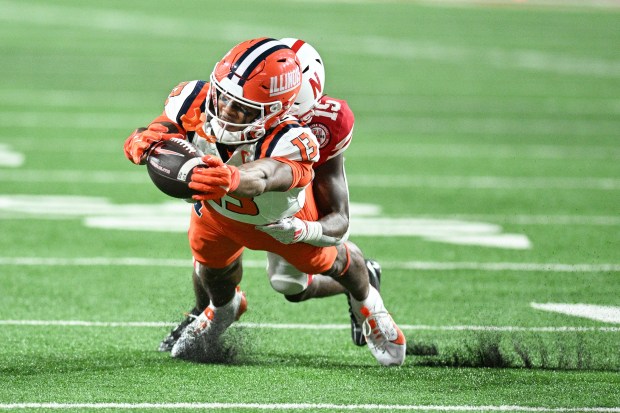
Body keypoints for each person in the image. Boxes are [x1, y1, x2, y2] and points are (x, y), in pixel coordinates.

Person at [123, 37, 406, 366]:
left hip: (277, 216)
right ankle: (217, 309)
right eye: (222, 97)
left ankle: (367, 299)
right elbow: (165, 129)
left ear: (279, 111)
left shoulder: (301, 137)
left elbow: (267, 176)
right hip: (217, 214)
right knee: (209, 266)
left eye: (241, 108)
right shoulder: (195, 98)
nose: (224, 111)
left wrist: (300, 226)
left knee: (291, 283)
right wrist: (148, 140)